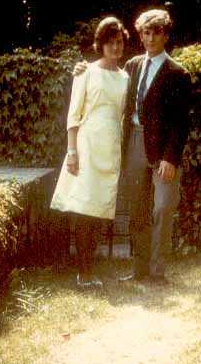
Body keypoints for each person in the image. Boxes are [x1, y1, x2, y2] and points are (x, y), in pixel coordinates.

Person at [74, 8, 191, 284]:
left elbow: (181, 122)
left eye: (156, 33)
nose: (150, 39)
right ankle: (139, 270)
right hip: (135, 143)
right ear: (140, 35)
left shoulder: (178, 73)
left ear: (165, 35)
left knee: (162, 207)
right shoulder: (133, 67)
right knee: (138, 208)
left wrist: (171, 157)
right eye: (145, 33)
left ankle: (157, 271)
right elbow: (105, 75)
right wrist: (82, 68)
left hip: (163, 151)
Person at [50, 16, 130, 289]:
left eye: (119, 42)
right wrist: (72, 152)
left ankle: (90, 268)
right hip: (86, 147)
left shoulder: (125, 78)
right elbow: (73, 115)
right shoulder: (86, 72)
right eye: (109, 43)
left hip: (111, 149)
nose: (115, 48)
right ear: (100, 44)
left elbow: (123, 115)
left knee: (99, 209)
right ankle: (83, 273)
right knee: (83, 209)